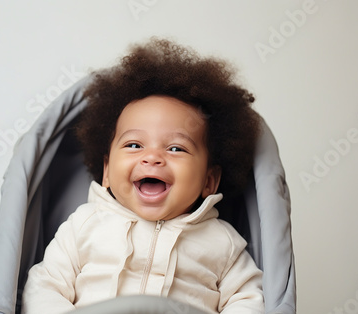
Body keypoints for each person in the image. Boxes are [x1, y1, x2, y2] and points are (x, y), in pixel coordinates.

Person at [21, 38, 264, 314]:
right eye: (134, 145)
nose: (152, 157)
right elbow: (46, 285)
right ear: (107, 172)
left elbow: (247, 300)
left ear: (209, 181)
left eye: (176, 148)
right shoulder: (84, 226)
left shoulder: (223, 243)